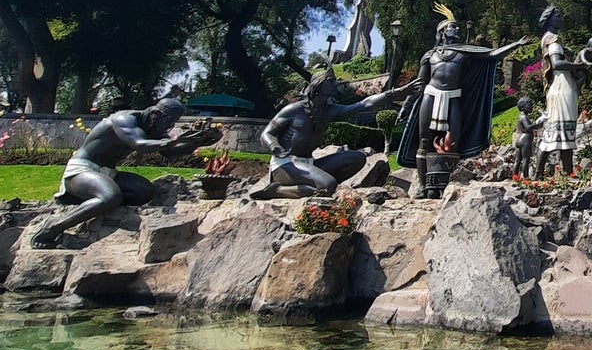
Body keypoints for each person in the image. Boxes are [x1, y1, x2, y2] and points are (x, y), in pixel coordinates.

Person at [29, 99, 217, 247]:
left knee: (144, 191)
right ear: (155, 113)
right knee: (111, 196)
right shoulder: (124, 119)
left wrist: (199, 141)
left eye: (171, 124)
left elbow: (170, 154)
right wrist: (175, 140)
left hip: (107, 174)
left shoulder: (152, 127)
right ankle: (53, 228)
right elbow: (139, 145)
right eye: (167, 122)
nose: (167, 128)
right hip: (82, 170)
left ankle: (96, 201)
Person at [397, 4, 527, 166]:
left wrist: (515, 45)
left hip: (453, 97)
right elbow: (419, 84)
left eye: (457, 27)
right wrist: (406, 106)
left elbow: (491, 55)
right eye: (453, 27)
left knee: (453, 139)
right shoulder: (430, 55)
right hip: (430, 96)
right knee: (424, 140)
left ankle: (448, 178)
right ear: (443, 31)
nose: (457, 30)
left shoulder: (464, 52)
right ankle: (423, 187)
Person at [254, 68, 411, 197]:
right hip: (285, 165)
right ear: (318, 85)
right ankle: (278, 190)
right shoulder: (294, 110)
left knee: (357, 158)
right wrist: (274, 146)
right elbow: (267, 133)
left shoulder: (330, 111)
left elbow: (364, 105)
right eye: (330, 81)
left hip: (309, 163)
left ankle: (322, 185)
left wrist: (394, 94)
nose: (335, 84)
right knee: (327, 185)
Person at [535, 5, 588, 180]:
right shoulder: (553, 40)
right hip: (561, 86)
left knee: (562, 133)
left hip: (560, 87)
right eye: (557, 15)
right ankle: (542, 172)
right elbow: (557, 64)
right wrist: (579, 66)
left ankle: (565, 172)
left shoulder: (548, 39)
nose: (561, 18)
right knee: (556, 132)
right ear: (550, 19)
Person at [511, 96, 536, 180]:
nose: (531, 107)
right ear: (522, 107)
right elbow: (528, 127)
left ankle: (515, 176)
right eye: (529, 105)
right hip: (525, 140)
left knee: (518, 160)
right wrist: (538, 125)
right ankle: (526, 176)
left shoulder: (521, 116)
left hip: (520, 139)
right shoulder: (523, 117)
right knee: (526, 159)